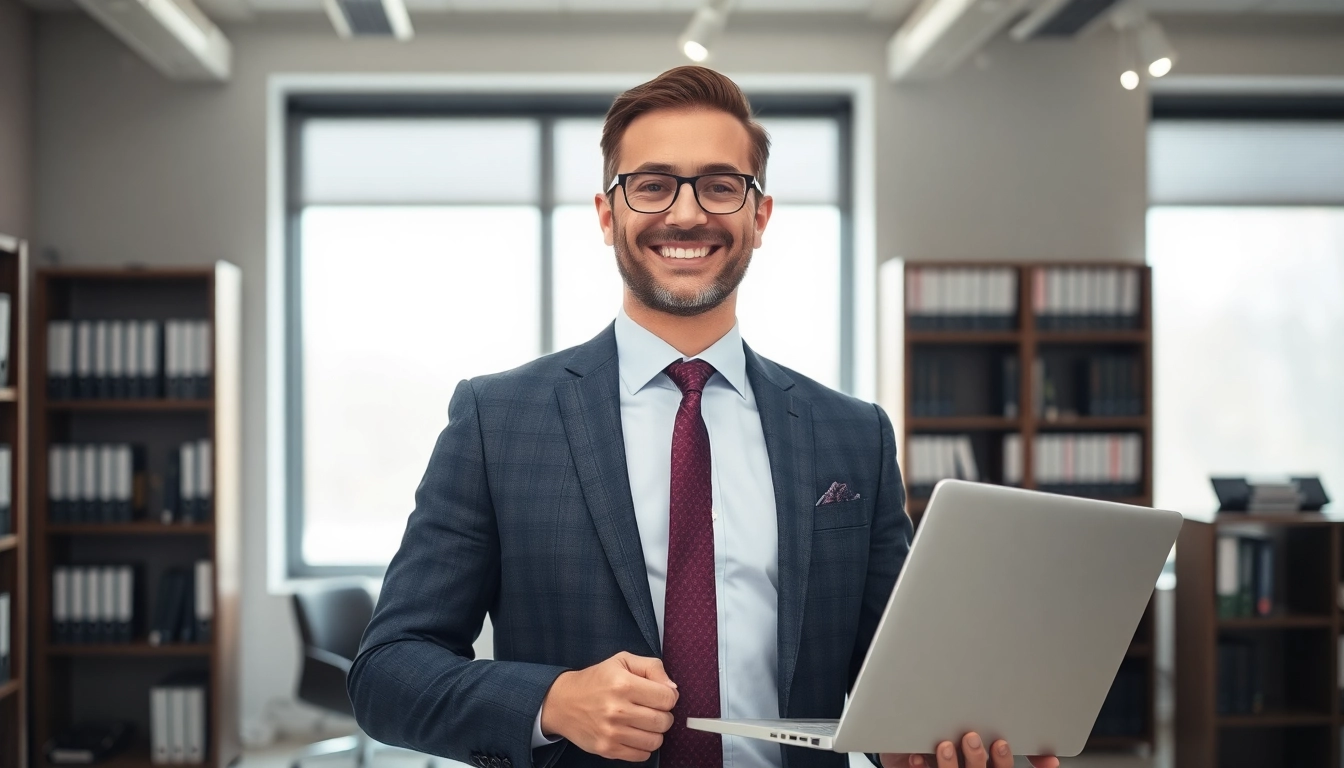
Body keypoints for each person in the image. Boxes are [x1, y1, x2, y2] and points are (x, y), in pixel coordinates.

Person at [346, 66, 1060, 768]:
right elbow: (388, 672)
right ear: (607, 215)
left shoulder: (852, 434)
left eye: (721, 186)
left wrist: (922, 742)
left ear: (760, 215)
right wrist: (553, 700)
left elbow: (893, 676)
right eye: (652, 185)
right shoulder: (497, 420)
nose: (686, 214)